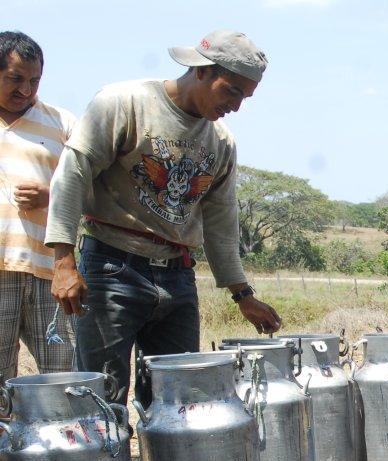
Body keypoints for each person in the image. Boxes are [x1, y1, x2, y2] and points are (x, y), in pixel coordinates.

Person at [45, 30, 281, 405]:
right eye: (231, 90)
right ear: (202, 70)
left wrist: (243, 294)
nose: (236, 106)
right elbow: (72, 175)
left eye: (245, 97)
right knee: (103, 397)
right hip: (112, 267)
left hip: (178, 275)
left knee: (178, 399)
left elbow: (220, 220)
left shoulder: (221, 142)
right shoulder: (125, 104)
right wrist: (62, 261)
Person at [0, 31, 75, 382]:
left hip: (50, 269)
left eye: (34, 80)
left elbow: (94, 186)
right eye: (15, 79)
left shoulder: (62, 122)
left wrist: (52, 195)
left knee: (65, 376)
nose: (26, 91)